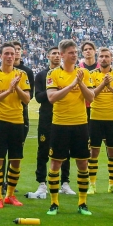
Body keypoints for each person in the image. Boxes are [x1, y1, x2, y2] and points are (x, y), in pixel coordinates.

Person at [44, 39, 95, 216]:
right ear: (63, 54)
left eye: (75, 52)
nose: (74, 55)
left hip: (80, 124)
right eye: (71, 52)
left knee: (82, 163)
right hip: (60, 124)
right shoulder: (53, 74)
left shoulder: (83, 73)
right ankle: (54, 203)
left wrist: (79, 83)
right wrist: (72, 85)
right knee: (56, 163)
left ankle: (82, 203)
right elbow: (52, 98)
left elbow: (91, 97)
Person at [0, 43, 31, 208]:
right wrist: (8, 90)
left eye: (12, 53)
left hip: (17, 122)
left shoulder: (22, 74)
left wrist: (16, 87)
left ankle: (10, 195)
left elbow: (27, 99)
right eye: (6, 54)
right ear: (0, 56)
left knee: (16, 160)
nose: (10, 56)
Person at [27, 46, 70, 199]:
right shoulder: (41, 75)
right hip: (47, 118)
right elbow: (38, 97)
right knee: (43, 150)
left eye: (59, 53)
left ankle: (65, 183)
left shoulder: (67, 74)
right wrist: (54, 90)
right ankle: (41, 183)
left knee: (65, 151)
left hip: (65, 117)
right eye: (54, 54)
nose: (57, 56)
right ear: (48, 56)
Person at [89, 47, 113, 195]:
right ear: (98, 59)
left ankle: (112, 184)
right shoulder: (91, 75)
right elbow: (91, 95)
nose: (104, 59)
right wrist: (103, 84)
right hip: (96, 118)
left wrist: (109, 87)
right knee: (94, 152)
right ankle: (92, 184)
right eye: (101, 57)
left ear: (111, 58)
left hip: (112, 118)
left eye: (107, 56)